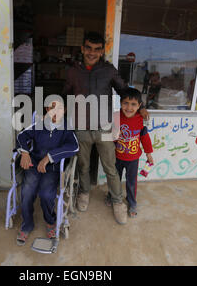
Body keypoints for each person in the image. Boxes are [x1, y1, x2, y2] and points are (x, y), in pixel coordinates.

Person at [62, 31, 149, 225]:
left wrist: (140, 107)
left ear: (102, 51)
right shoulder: (73, 71)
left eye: (97, 49)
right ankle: (84, 193)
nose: (92, 53)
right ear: (83, 49)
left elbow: (125, 91)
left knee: (111, 167)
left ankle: (118, 202)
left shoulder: (109, 71)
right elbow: (66, 93)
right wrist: (58, 107)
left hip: (104, 127)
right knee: (83, 165)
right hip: (81, 127)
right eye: (88, 48)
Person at [15, 98, 79, 246]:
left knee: (46, 194)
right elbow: (21, 136)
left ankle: (50, 221)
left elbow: (74, 146)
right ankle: (27, 224)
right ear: (46, 111)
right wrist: (24, 153)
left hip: (52, 167)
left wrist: (49, 157)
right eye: (52, 108)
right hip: (34, 163)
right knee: (27, 191)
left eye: (59, 108)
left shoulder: (66, 128)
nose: (55, 112)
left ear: (65, 111)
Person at [106, 87, 154, 218]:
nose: (129, 107)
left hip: (133, 159)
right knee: (114, 179)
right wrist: (115, 134)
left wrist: (149, 154)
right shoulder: (115, 116)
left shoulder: (140, 118)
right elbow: (108, 137)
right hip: (117, 157)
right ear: (121, 103)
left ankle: (132, 202)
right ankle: (111, 195)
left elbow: (144, 137)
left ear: (139, 106)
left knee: (131, 182)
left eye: (133, 104)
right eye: (125, 103)